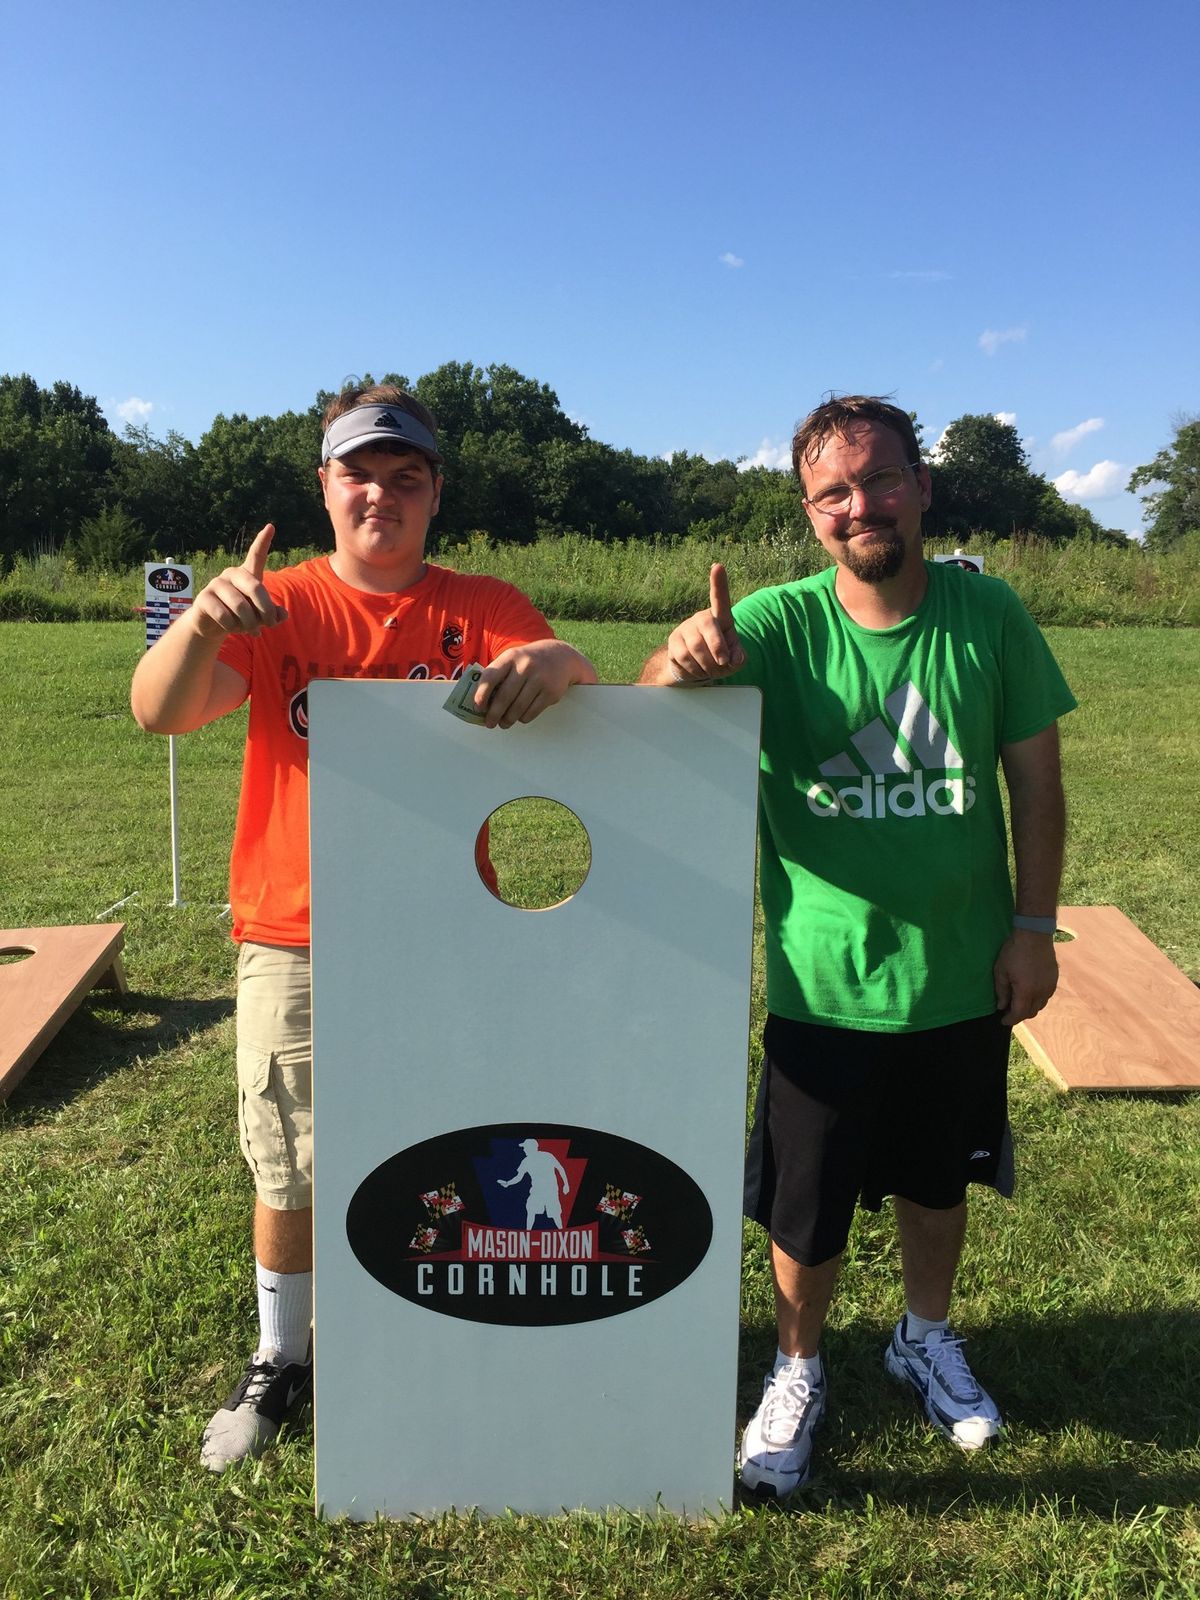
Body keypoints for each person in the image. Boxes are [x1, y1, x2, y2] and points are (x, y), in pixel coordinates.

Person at [131, 383, 597, 1472]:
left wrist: (555, 663)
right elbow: (159, 708)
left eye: (405, 476)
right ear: (325, 487)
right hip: (295, 932)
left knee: (442, 1145)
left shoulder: (479, 602)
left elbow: (572, 668)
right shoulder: (274, 603)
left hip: (447, 932)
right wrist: (202, 618)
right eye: (358, 473)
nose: (379, 493)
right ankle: (280, 1356)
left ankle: (420, 1328)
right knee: (289, 1156)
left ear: (435, 492)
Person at [639, 394, 1075, 1497]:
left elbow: (1036, 779)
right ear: (810, 511)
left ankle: (924, 1337)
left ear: (923, 488)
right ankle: (796, 1367)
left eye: (880, 479)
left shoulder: (989, 616)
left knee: (939, 1182)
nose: (860, 504)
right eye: (833, 491)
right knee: (808, 1202)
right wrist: (682, 657)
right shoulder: (781, 627)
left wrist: (1032, 929)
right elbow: (652, 704)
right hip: (821, 985)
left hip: (962, 975)